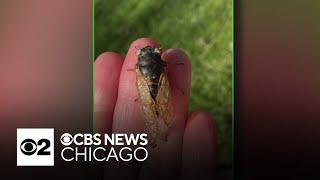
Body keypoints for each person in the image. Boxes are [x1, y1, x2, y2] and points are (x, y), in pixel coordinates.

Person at [94, 38, 217, 179]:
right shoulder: (160, 63)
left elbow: (141, 72)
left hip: (146, 84)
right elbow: (165, 67)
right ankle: (161, 125)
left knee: (149, 99)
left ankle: (161, 125)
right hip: (159, 81)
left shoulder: (139, 66)